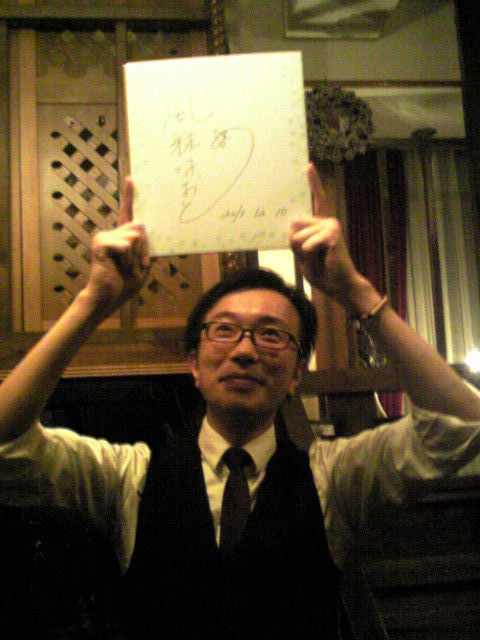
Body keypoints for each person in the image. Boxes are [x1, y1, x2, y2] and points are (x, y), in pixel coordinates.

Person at [1, 163, 480, 639]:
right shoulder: (129, 478)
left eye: (271, 335)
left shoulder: (335, 478)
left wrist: (356, 292)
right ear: (194, 364)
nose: (246, 350)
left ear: (296, 374)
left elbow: (463, 424)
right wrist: (93, 301)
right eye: (224, 330)